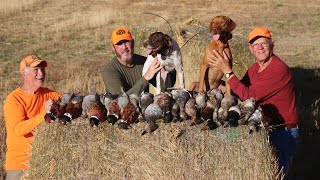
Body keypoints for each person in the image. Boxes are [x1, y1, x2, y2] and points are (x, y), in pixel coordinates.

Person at [208, 27, 299, 177]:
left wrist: (227, 71)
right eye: (255, 45)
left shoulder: (279, 70)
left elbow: (249, 96)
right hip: (266, 128)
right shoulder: (255, 68)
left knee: (277, 175)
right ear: (250, 49)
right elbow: (239, 90)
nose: (260, 48)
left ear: (272, 45)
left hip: (283, 132)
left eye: (264, 43)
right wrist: (218, 87)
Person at [3, 55, 61, 180]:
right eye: (36, 69)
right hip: (20, 165)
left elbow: (69, 107)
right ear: (24, 73)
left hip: (45, 163)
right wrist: (43, 115)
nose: (41, 73)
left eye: (43, 69)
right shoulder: (14, 99)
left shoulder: (50, 95)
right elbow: (18, 130)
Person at [103, 27, 162, 95]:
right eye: (119, 44)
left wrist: (168, 63)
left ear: (133, 43)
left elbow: (166, 84)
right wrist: (146, 77)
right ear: (113, 47)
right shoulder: (110, 70)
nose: (124, 47)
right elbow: (120, 102)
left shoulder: (144, 62)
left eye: (127, 42)